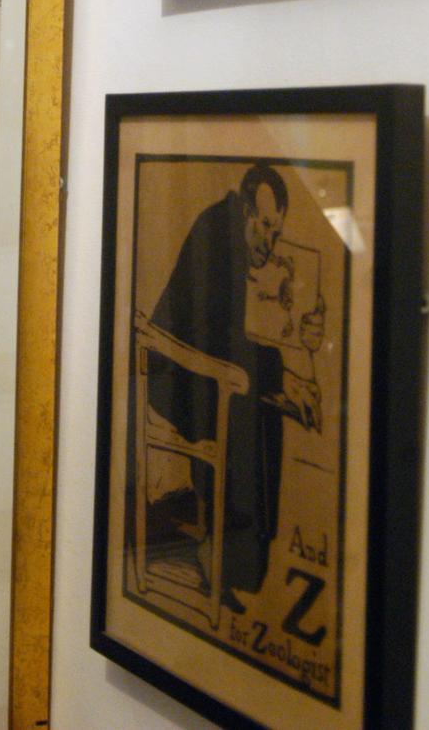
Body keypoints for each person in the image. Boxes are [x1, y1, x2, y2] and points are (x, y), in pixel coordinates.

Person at [147, 163, 323, 608]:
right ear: (245, 211)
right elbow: (212, 336)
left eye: (276, 231)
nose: (270, 240)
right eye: (264, 225)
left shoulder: (244, 248)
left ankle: (241, 562)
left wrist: (305, 338)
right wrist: (282, 377)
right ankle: (222, 553)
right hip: (177, 370)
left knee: (263, 408)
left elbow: (248, 334)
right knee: (247, 408)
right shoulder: (216, 233)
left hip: (215, 367)